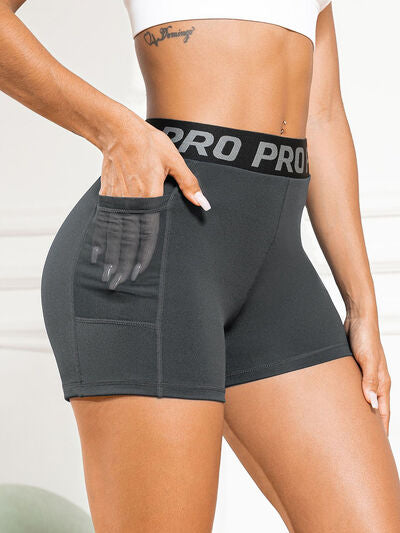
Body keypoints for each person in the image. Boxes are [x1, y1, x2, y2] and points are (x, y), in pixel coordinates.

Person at [1, 0, 399, 531]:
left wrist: (362, 305)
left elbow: (321, 115)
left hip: (275, 270)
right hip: (155, 251)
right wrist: (115, 130)